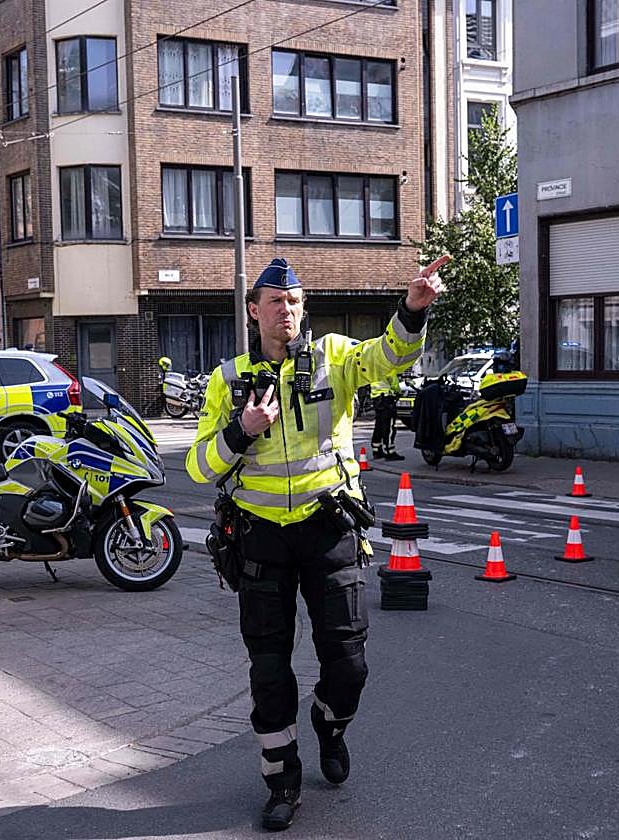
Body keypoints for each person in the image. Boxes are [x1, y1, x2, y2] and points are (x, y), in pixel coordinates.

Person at [186, 256, 442, 830]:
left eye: (295, 302)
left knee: (349, 665)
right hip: (260, 541)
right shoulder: (227, 382)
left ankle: (329, 722)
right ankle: (282, 782)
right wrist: (239, 431)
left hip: (328, 531)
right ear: (254, 311)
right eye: (276, 302)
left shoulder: (332, 358)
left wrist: (412, 311)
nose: (288, 312)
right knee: (270, 671)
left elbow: (389, 356)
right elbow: (199, 465)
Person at [368, 370, 404, 460]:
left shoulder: (374, 369)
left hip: (377, 399)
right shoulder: (388, 367)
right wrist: (398, 391)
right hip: (387, 400)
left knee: (379, 426)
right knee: (389, 426)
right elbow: (394, 382)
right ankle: (389, 452)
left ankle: (376, 450)